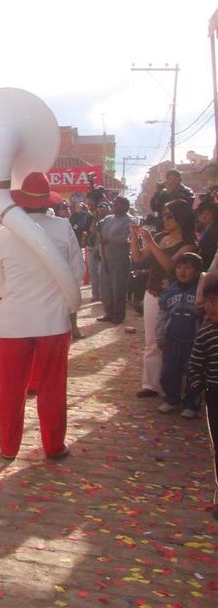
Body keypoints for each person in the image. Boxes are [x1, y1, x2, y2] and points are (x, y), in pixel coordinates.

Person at [0, 173, 83, 460]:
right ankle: (54, 445)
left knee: (10, 389)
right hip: (53, 321)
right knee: (52, 386)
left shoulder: (3, 234)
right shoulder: (63, 227)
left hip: (13, 322)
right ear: (48, 202)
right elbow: (76, 273)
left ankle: (8, 447)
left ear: (22, 204)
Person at [131, 199, 198, 398]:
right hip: (153, 292)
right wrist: (134, 236)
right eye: (164, 215)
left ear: (180, 218)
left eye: (169, 215)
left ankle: (173, 386)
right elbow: (137, 257)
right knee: (152, 339)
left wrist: (150, 242)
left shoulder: (188, 244)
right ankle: (151, 384)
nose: (165, 219)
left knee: (177, 340)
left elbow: (170, 265)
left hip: (178, 297)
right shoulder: (160, 236)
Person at [156, 252, 203, 417]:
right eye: (179, 267)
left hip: (193, 342)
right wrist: (160, 335)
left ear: (196, 271)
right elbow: (162, 315)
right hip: (172, 340)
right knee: (169, 372)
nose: (182, 271)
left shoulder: (201, 291)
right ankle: (172, 399)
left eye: (188, 267)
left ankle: (191, 403)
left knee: (193, 373)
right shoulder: (170, 291)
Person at [187, 278, 218, 521]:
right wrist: (200, 389)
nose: (211, 306)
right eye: (208, 302)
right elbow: (195, 365)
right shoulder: (206, 332)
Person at [96, 196, 133, 325]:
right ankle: (109, 312)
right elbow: (97, 227)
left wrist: (110, 240)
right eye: (114, 204)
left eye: (117, 204)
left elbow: (127, 239)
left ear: (125, 206)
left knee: (118, 288)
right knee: (106, 288)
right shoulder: (108, 219)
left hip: (120, 259)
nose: (114, 206)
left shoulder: (129, 220)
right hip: (105, 258)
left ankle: (118, 314)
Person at [196, 197, 218, 269]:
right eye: (202, 213)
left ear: (214, 215)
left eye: (207, 214)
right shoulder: (205, 229)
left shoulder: (214, 232)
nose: (204, 216)